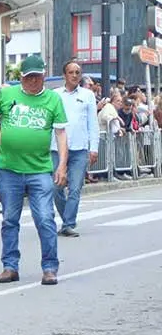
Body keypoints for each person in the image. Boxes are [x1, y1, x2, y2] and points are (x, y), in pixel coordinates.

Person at [0, 55, 68, 286]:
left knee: (45, 218)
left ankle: (49, 268)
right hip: (9, 170)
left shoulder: (53, 100)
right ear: (21, 78)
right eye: (30, 77)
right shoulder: (7, 96)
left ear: (44, 76)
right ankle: (10, 266)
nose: (34, 81)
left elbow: (60, 134)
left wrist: (62, 165)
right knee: (9, 219)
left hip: (39, 170)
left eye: (38, 77)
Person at [51, 60, 99, 237]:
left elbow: (92, 123)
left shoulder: (87, 95)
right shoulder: (55, 95)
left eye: (77, 72)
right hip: (56, 148)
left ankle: (68, 223)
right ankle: (67, 217)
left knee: (75, 187)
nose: (74, 75)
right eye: (71, 72)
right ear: (64, 75)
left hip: (79, 149)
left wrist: (93, 148)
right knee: (56, 187)